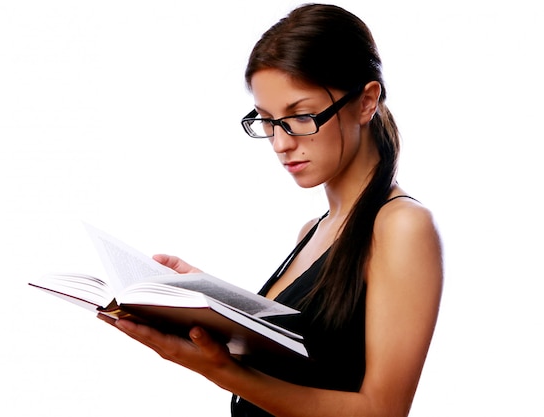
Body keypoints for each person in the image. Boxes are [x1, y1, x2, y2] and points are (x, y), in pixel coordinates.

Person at [100, 4, 443, 416]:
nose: (280, 143)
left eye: (300, 116)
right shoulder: (311, 232)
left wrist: (217, 369)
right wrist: (210, 300)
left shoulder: (401, 226)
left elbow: (382, 410)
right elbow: (306, 359)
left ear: (366, 102)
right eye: (266, 120)